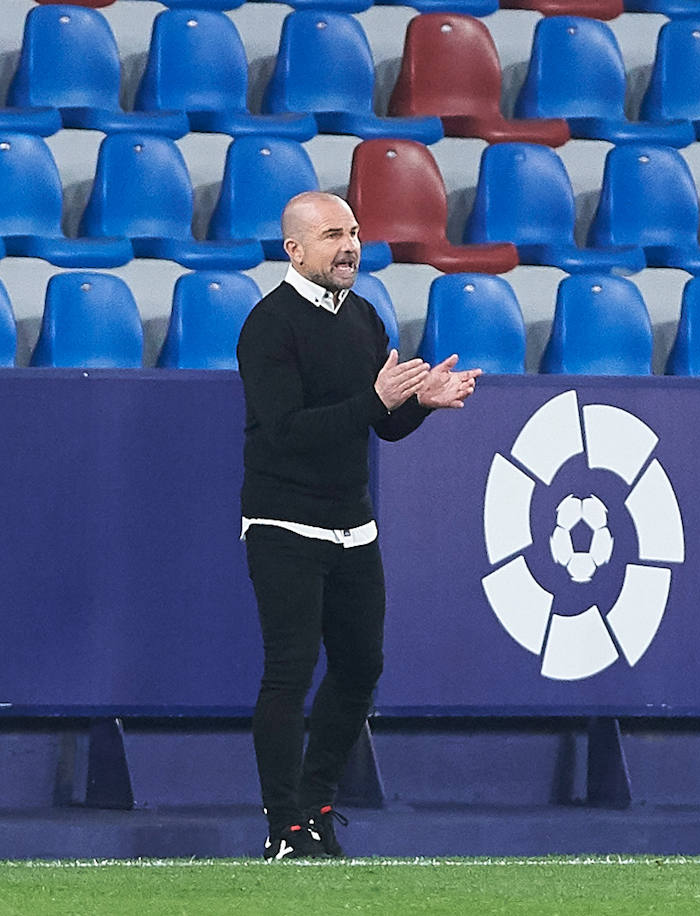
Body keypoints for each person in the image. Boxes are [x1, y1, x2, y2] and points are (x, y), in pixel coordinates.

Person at [236, 191, 481, 860]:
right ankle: (282, 825)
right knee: (289, 671)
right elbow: (286, 434)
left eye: (354, 232)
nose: (349, 246)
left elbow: (380, 423)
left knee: (360, 667)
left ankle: (315, 805)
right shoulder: (268, 326)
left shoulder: (364, 316)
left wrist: (420, 404)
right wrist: (374, 400)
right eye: (332, 236)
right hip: (284, 521)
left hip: (352, 522)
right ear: (295, 250)